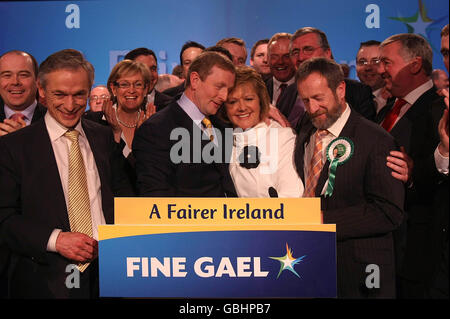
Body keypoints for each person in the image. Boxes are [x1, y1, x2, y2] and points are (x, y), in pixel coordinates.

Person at [0, 49, 134, 298]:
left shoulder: (103, 137)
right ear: (42, 91)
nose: (70, 105)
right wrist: (55, 240)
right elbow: (5, 218)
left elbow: (125, 198)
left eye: (79, 94)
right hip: (45, 281)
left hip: (110, 274)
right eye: (60, 94)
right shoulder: (13, 147)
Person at [294, 57, 404, 298]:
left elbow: (388, 212)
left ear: (341, 89)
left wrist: (323, 220)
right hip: (310, 266)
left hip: (359, 272)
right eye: (305, 100)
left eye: (319, 98)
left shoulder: (376, 140)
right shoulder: (305, 129)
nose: (312, 108)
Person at [380, 29, 449, 298]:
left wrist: (413, 174)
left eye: (387, 62)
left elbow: (436, 179)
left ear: (415, 64)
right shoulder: (389, 108)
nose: (380, 69)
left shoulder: (437, 107)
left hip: (422, 246)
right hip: (394, 245)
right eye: (445, 52)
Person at [133, 51, 237, 197]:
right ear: (195, 80)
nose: (224, 96)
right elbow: (156, 197)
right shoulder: (156, 129)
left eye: (228, 90)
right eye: (219, 87)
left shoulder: (222, 126)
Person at [219, 65, 303, 197]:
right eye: (232, 102)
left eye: (248, 99)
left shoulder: (282, 137)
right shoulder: (222, 139)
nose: (241, 108)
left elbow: (292, 195)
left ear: (261, 100)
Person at [280, 27, 377, 130]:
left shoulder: (358, 92)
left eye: (308, 49)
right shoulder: (289, 92)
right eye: (295, 52)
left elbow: (366, 135)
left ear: (327, 53)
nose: (300, 57)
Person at [0, 50, 47, 136]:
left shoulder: (52, 119)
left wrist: (23, 141)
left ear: (38, 81)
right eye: (7, 75)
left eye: (23, 75)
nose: (15, 82)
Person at [356, 40, 393, 114]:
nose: (368, 68)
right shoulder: (346, 99)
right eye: (362, 62)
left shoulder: (397, 99)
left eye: (376, 61)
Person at [266, 33, 296, 109]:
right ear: (268, 59)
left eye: (286, 56)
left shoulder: (305, 89)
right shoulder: (259, 89)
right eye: (275, 57)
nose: (280, 62)